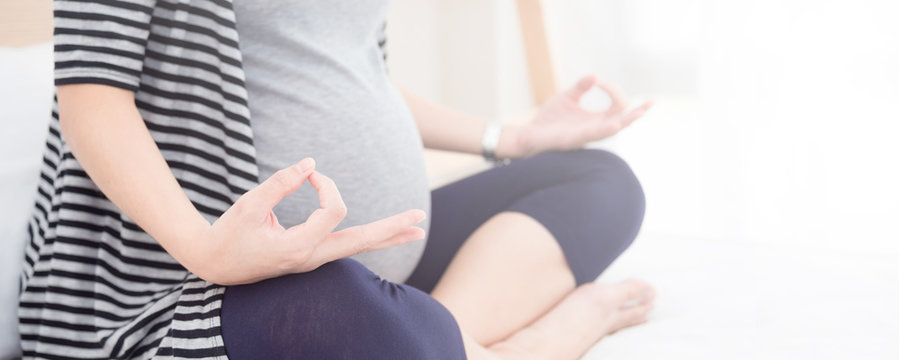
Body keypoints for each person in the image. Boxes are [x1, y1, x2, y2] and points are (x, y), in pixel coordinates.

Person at [19, 0, 655, 358]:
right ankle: (531, 345)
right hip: (195, 279)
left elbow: (353, 75)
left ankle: (436, 336)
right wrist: (206, 249)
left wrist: (508, 139)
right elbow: (92, 99)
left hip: (386, 248)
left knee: (601, 181)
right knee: (340, 303)